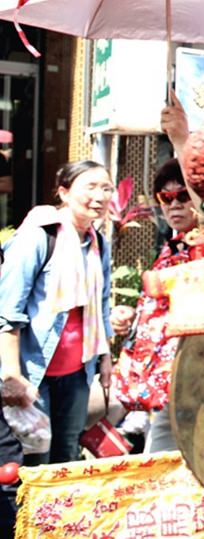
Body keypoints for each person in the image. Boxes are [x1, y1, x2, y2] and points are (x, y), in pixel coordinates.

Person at [109, 155, 204, 453]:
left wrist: (181, 138)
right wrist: (136, 315)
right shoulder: (175, 244)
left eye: (183, 195)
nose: (174, 204)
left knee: (167, 467)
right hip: (172, 383)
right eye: (166, 197)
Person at [0, 160, 115, 465]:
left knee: (67, 458)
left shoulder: (98, 244)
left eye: (106, 188)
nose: (100, 196)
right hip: (33, 372)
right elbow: (8, 311)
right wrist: (11, 374)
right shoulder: (38, 237)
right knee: (34, 460)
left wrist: (105, 358)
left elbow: (101, 304)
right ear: (64, 193)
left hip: (77, 372)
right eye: (90, 187)